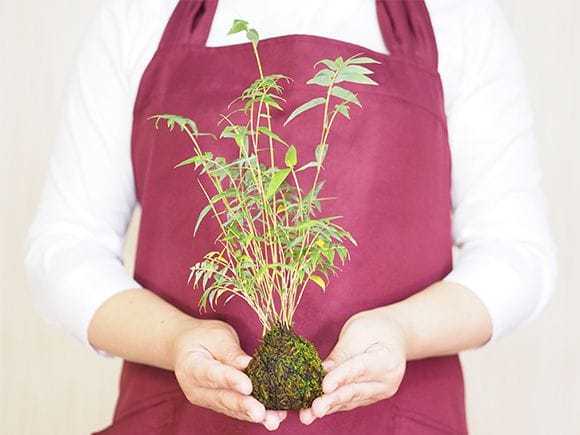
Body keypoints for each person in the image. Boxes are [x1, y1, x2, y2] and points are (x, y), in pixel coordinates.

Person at [25, 0, 557, 433]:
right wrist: (175, 341)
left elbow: (518, 252)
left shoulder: (457, 17)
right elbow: (65, 247)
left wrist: (403, 331)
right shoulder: (139, 15)